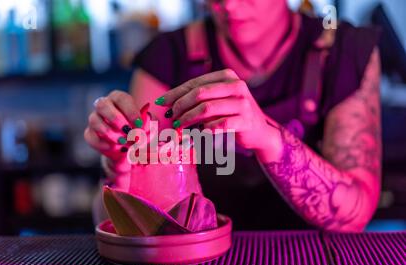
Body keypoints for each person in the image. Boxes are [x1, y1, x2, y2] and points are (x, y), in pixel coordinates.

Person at [85, 0, 382, 232]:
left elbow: (355, 214)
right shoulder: (167, 55)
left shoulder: (344, 50)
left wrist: (267, 136)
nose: (226, 5)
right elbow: (111, 223)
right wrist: (120, 164)